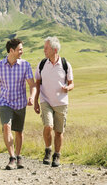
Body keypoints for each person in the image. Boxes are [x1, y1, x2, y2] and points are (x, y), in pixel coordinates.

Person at [0, 38, 36, 170]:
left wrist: (31, 97)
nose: (22, 51)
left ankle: (19, 155)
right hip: (4, 102)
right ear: (11, 50)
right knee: (6, 126)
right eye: (19, 49)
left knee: (19, 132)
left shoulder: (25, 65)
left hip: (20, 103)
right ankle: (12, 158)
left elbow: (32, 85)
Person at [34, 36, 74, 167]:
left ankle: (57, 156)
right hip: (46, 101)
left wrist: (68, 88)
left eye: (46, 48)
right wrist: (35, 101)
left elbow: (71, 83)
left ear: (54, 49)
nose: (44, 50)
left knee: (58, 131)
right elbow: (37, 84)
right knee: (48, 126)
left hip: (61, 102)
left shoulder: (65, 64)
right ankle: (48, 150)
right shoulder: (41, 65)